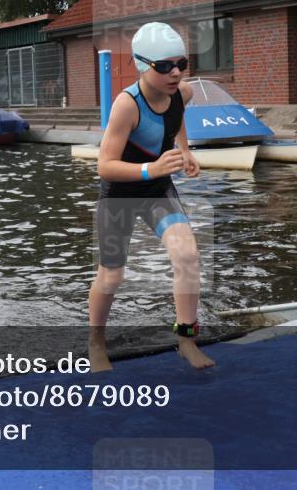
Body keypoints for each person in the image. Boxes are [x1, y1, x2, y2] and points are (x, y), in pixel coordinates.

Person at [90, 22, 214, 371]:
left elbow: (177, 117)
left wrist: (184, 150)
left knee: (187, 256)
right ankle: (95, 342)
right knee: (112, 276)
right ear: (142, 65)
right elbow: (104, 166)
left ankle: (186, 341)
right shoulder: (127, 105)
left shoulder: (182, 93)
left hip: (157, 190)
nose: (175, 73)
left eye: (181, 64)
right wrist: (152, 168)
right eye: (164, 66)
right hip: (120, 195)